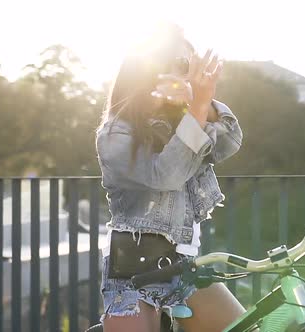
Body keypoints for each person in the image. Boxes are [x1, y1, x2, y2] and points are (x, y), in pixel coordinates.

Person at [95, 23, 245, 332]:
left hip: (184, 268)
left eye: (187, 64)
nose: (184, 72)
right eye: (177, 64)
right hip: (132, 275)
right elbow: (165, 175)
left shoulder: (185, 122)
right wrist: (199, 106)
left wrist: (199, 101)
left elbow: (231, 138)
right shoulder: (116, 133)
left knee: (246, 328)